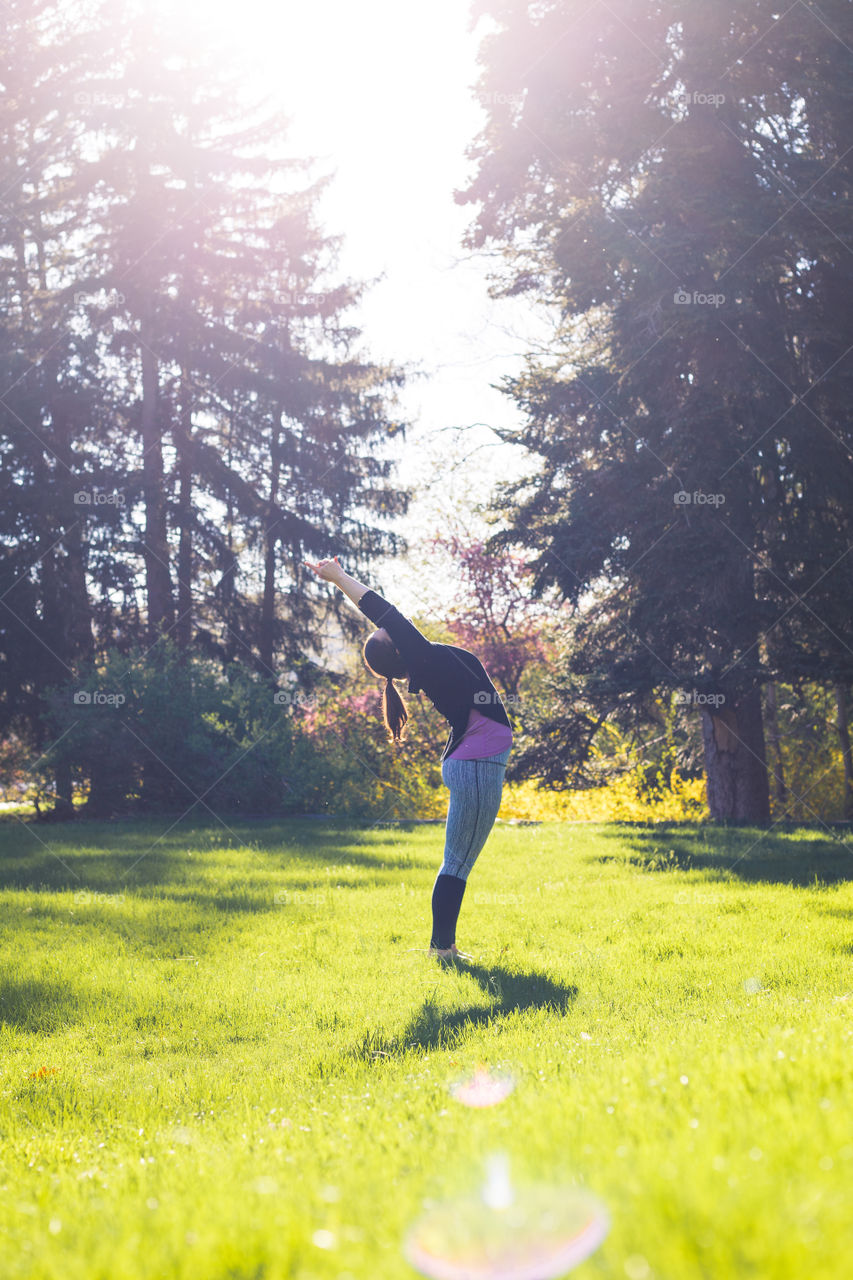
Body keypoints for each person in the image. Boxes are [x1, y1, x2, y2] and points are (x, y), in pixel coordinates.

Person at [304, 556, 513, 962]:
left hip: (475, 761)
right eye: (389, 631)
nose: (388, 625)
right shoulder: (423, 658)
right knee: (457, 861)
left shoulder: (426, 660)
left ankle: (443, 947)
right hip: (476, 765)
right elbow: (383, 611)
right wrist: (339, 577)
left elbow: (388, 620)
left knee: (458, 860)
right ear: (399, 647)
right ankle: (442, 951)